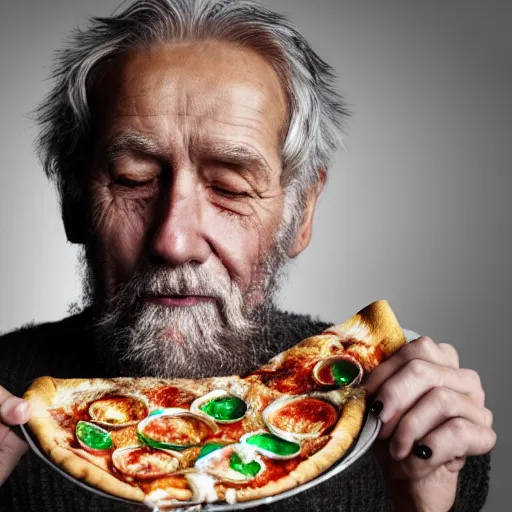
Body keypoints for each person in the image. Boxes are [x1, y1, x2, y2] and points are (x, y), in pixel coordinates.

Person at [0, 0, 496, 510]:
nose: (175, 242)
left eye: (231, 189)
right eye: (134, 181)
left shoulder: (411, 427)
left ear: (301, 211)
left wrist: (422, 502)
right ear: (74, 202)